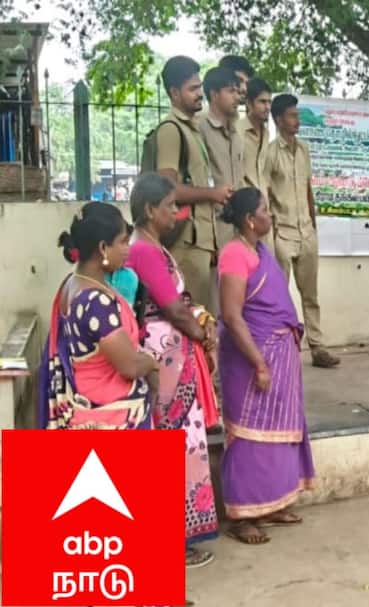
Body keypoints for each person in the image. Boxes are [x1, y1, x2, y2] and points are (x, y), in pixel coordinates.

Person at [125, 173, 220, 568]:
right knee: (174, 444)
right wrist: (200, 331)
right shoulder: (145, 251)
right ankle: (173, 539)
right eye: (169, 208)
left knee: (180, 442)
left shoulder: (151, 248)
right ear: (149, 210)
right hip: (166, 358)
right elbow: (173, 307)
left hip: (173, 354)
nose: (176, 215)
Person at [217, 187, 317, 545]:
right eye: (264, 210)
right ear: (249, 219)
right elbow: (231, 315)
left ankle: (271, 504)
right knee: (248, 436)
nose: (270, 215)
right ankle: (242, 516)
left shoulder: (259, 251)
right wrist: (259, 362)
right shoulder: (233, 254)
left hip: (278, 355)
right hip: (251, 359)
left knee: (277, 435)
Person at [40, 203, 157, 432]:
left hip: (84, 408)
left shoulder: (71, 284)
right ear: (103, 247)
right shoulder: (95, 301)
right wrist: (153, 363)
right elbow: (129, 366)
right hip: (110, 417)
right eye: (123, 242)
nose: (128, 249)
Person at [264, 93, 340, 369]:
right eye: (292, 115)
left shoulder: (304, 149)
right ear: (278, 119)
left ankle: (318, 347)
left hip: (306, 230)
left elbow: (308, 187)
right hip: (282, 231)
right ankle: (280, 347)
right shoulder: (270, 153)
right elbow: (267, 193)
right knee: (279, 294)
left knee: (311, 294)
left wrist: (313, 221)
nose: (297, 121)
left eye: (297, 115)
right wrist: (270, 231)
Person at [156, 56, 233, 313]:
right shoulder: (171, 130)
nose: (200, 94)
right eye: (192, 89)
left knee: (205, 318)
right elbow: (167, 188)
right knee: (193, 320)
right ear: (174, 93)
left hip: (201, 242)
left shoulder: (192, 129)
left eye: (200, 87)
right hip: (185, 244)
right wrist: (213, 194)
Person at [196, 66, 246, 279]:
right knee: (213, 305)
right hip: (211, 231)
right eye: (231, 91)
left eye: (237, 91)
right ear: (214, 95)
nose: (237, 96)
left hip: (236, 229)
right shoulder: (199, 128)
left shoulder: (236, 133)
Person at [239, 77, 272, 193]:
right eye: (262, 102)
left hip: (263, 203)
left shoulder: (267, 133)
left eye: (269, 102)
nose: (267, 107)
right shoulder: (237, 130)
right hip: (244, 203)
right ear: (248, 103)